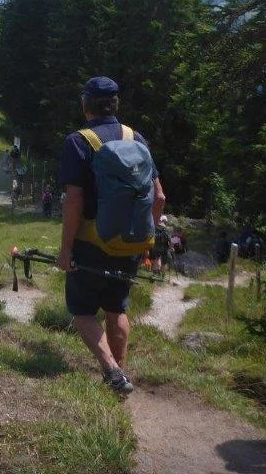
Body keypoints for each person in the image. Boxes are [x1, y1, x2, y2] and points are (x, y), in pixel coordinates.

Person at [58, 76, 166, 396]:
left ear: (85, 104)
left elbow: (74, 200)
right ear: (115, 104)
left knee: (81, 312)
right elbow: (159, 197)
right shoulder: (137, 138)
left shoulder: (78, 142)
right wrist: (143, 237)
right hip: (131, 242)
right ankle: (119, 378)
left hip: (91, 243)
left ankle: (112, 371)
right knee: (117, 309)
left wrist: (65, 249)